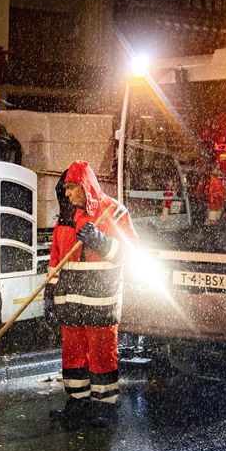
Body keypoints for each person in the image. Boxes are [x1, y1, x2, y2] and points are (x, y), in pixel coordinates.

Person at [47, 160, 137, 429]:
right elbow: (56, 255)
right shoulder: (67, 215)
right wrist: (50, 294)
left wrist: (100, 240)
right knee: (72, 354)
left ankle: (104, 407)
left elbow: (130, 253)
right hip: (70, 302)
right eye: (66, 189)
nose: (68, 195)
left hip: (100, 300)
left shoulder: (114, 212)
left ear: (86, 187)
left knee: (101, 354)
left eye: (72, 189)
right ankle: (77, 404)